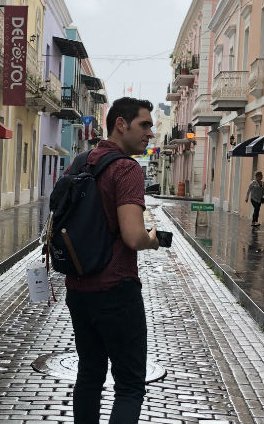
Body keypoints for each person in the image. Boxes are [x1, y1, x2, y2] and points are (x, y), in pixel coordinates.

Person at [64, 97, 160, 424]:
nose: (151, 132)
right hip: (117, 290)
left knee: (89, 375)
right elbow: (133, 236)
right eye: (144, 125)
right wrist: (153, 239)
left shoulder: (78, 163)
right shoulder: (126, 168)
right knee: (130, 384)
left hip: (78, 290)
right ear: (121, 123)